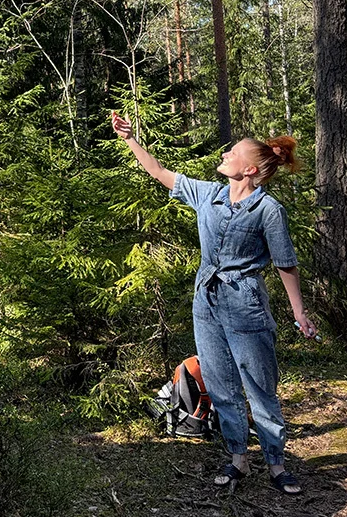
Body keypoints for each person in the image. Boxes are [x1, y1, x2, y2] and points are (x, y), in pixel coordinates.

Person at [111, 111, 316, 495]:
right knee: (221, 385)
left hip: (246, 303)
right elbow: (159, 173)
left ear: (251, 170)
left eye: (234, 152)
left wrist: (299, 312)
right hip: (205, 302)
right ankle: (238, 459)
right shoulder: (209, 195)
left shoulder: (269, 211)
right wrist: (129, 139)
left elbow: (286, 262)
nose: (226, 154)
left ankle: (276, 464)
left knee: (260, 386)